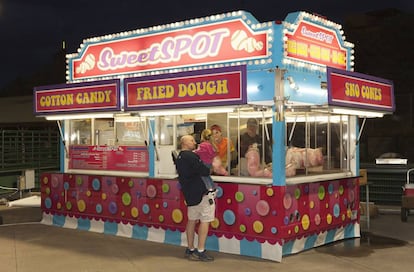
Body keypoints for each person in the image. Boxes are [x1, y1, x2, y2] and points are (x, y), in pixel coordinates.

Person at [175, 134, 215, 262]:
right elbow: (204, 171)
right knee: (205, 220)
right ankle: (200, 251)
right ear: (184, 143)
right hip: (201, 194)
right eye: (191, 140)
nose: (194, 142)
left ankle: (190, 248)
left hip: (190, 195)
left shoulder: (179, 157)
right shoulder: (192, 156)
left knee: (191, 220)